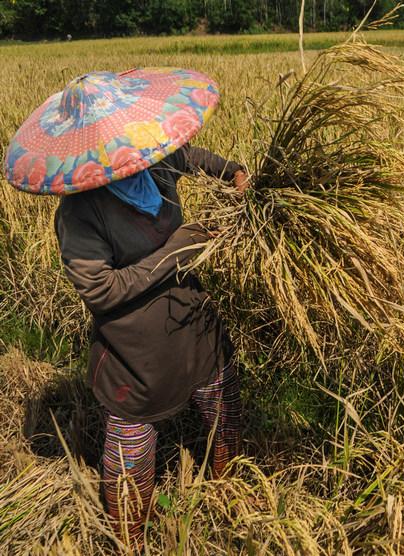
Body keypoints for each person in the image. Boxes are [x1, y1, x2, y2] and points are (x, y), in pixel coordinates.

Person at [4, 68, 246, 547]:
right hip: (135, 350)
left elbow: (188, 155)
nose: (128, 153)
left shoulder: (152, 162)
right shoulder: (81, 213)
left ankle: (228, 494)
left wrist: (233, 171)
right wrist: (176, 249)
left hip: (191, 321)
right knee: (133, 450)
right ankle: (130, 539)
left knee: (223, 400)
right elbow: (101, 291)